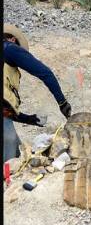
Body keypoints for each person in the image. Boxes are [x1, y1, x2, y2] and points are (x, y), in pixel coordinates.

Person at [3, 23, 72, 162]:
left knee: (16, 147)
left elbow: (5, 110)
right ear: (11, 39)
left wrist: (29, 119)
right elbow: (45, 73)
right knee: (10, 148)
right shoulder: (10, 49)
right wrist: (62, 102)